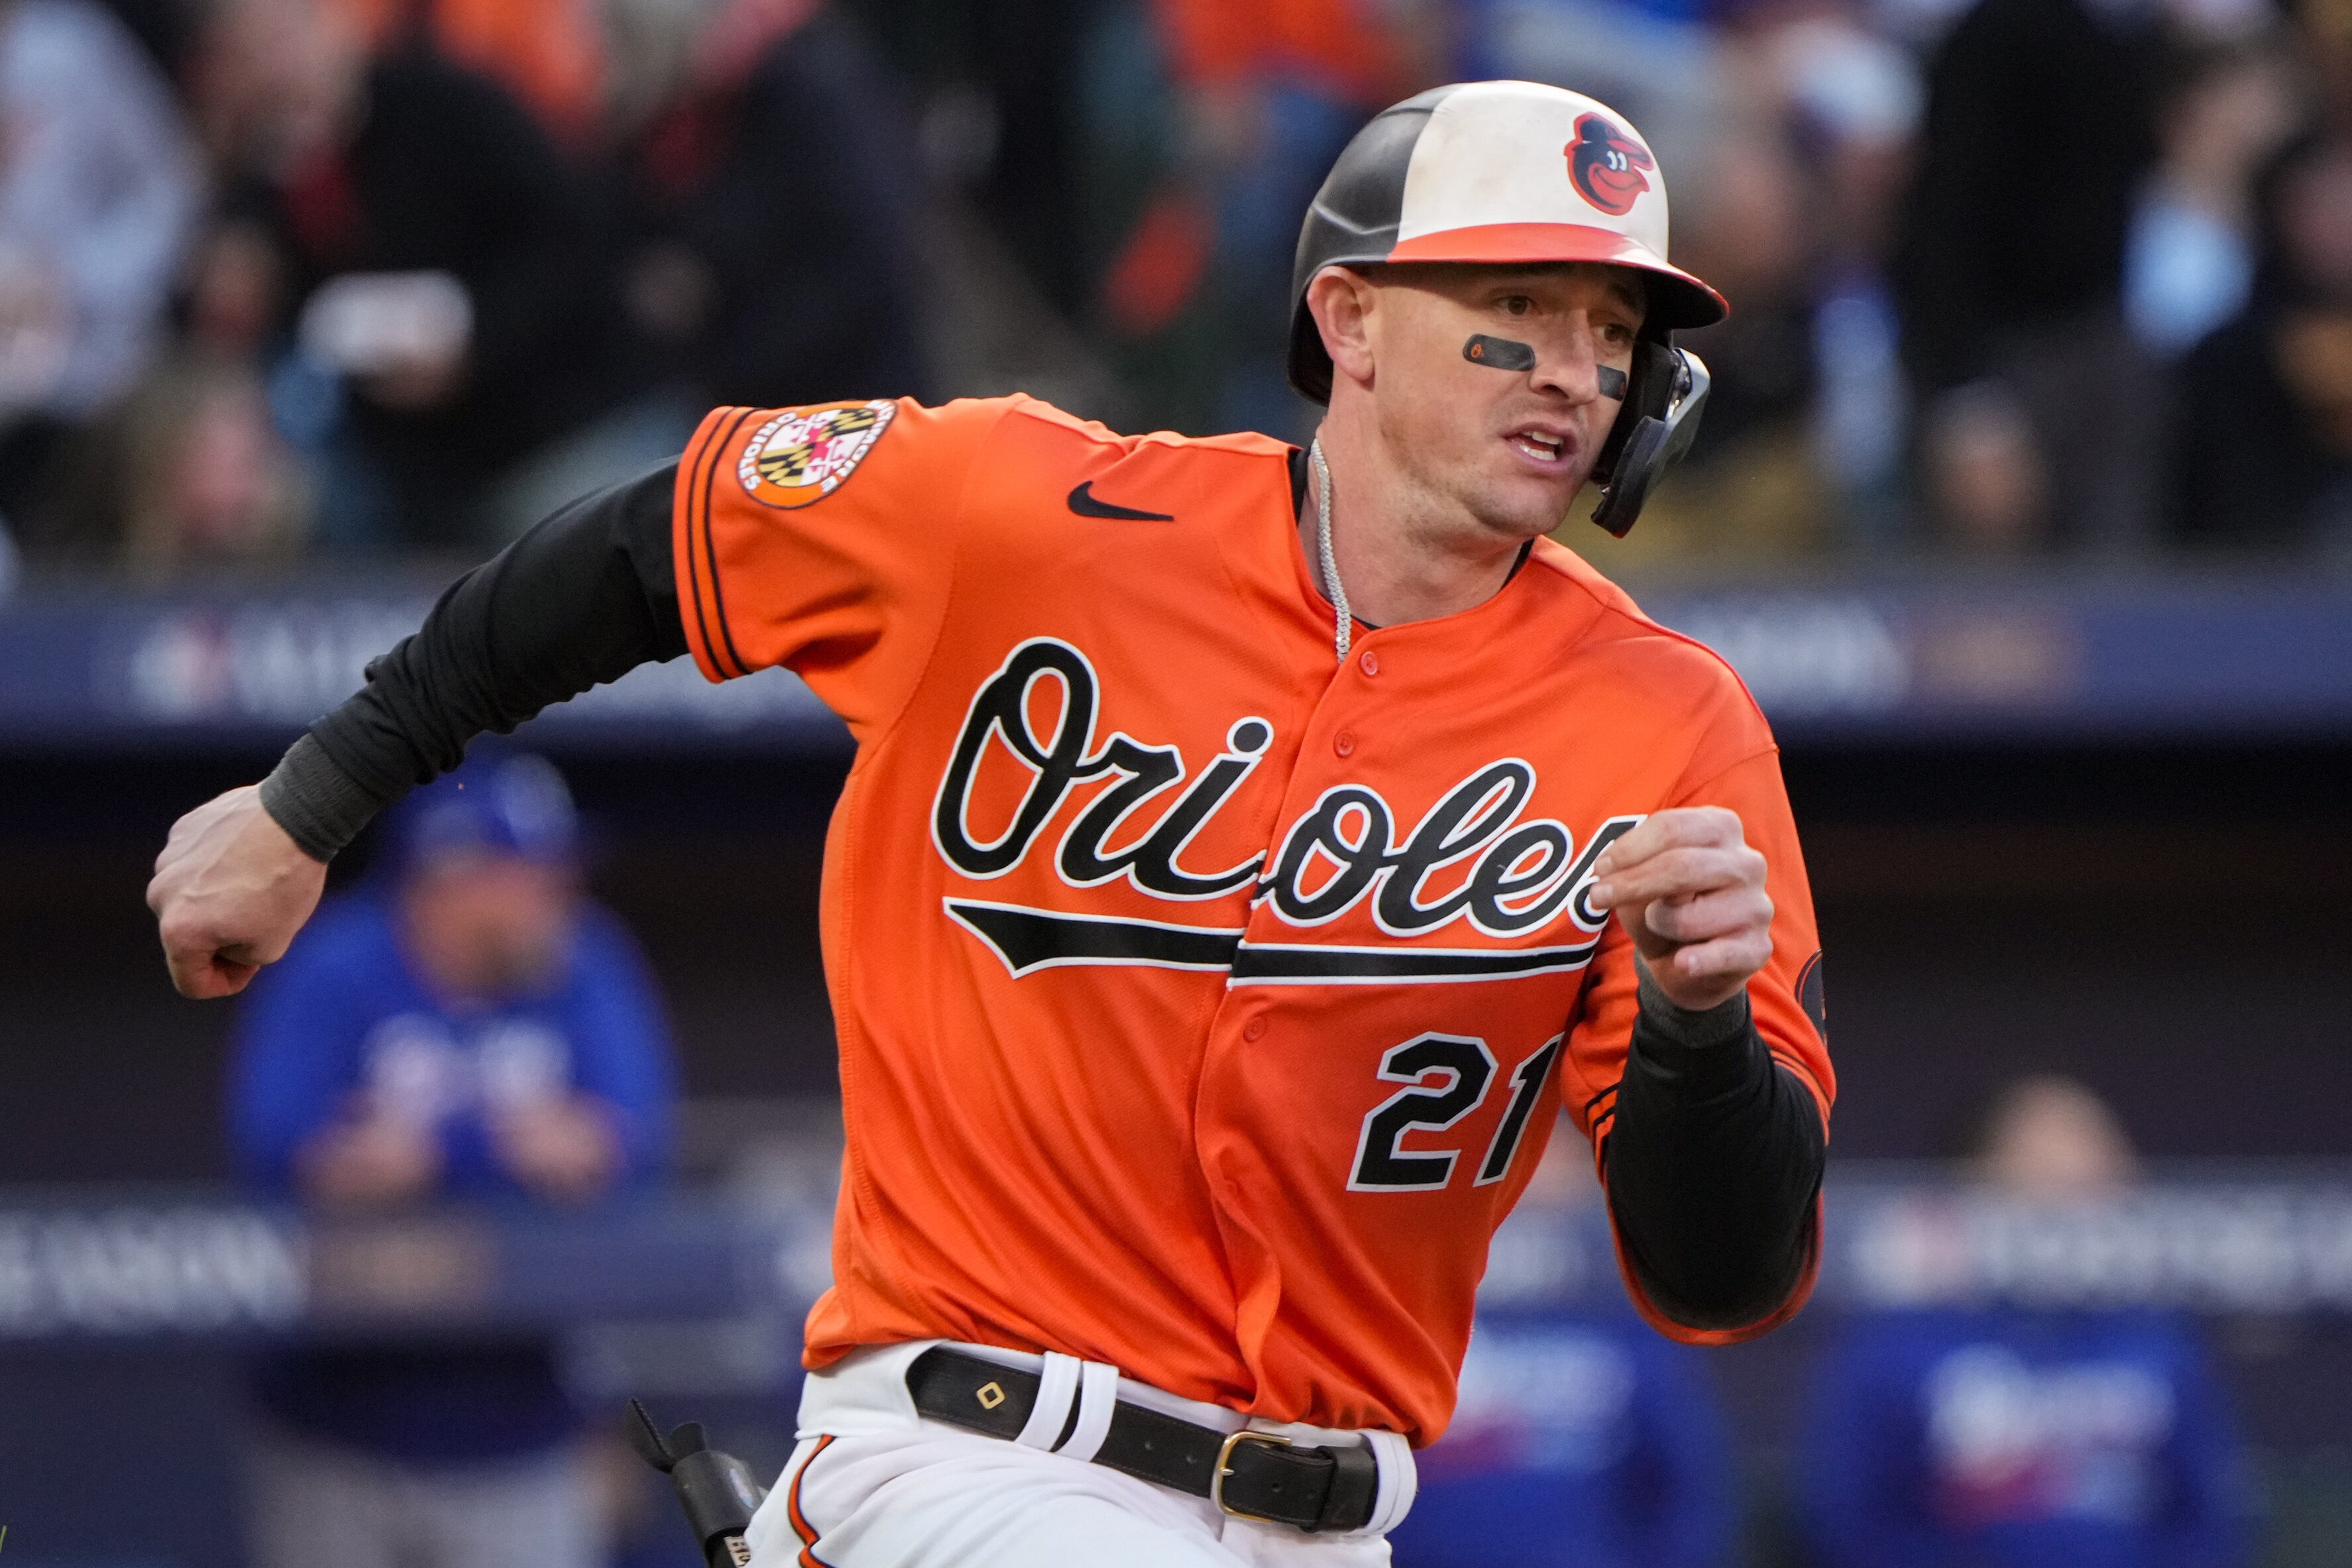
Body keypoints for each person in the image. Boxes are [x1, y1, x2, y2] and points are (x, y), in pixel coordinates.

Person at [150, 80, 1833, 1566]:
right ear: (1352, 317)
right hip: (967, 1457)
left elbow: (1719, 1277)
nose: (1574, 371)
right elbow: (647, 543)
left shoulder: (1668, 722)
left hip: (1336, 1511)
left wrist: (1693, 1027)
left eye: (1616, 333)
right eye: (1517, 306)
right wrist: (314, 800)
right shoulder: (1027, 514)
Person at [229, 750, 677, 1568]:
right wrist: (362, 1166)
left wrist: (452, 1152)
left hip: (523, 1429)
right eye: (529, 878)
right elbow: (272, 1151)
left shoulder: (588, 961)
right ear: (450, 878)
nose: (555, 900)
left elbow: (637, 1147)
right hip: (334, 1431)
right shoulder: (340, 965)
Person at [1800, 1076, 2251, 1568]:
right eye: (2052, 1153)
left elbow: (2215, 1521)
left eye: (2102, 1153)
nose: (2087, 1174)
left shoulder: (2156, 1340)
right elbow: (1846, 1522)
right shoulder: (1897, 1342)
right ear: (1974, 1174)